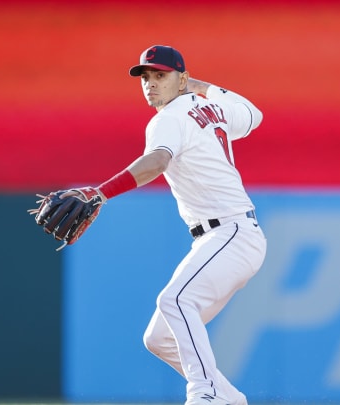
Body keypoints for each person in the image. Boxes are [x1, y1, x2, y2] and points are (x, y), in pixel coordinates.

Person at [68, 45, 267, 405]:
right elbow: (253, 114)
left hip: (231, 233)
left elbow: (157, 161)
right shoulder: (213, 108)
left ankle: (205, 393)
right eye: (146, 77)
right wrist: (196, 86)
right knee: (159, 337)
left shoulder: (168, 119)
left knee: (175, 300)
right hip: (228, 237)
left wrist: (100, 194)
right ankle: (228, 397)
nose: (151, 83)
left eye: (161, 75)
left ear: (181, 79)